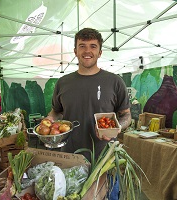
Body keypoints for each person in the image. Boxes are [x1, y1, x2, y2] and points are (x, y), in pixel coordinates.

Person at [46, 28, 131, 200]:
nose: (87, 51)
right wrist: (49, 119)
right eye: (82, 46)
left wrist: (116, 128)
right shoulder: (63, 83)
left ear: (100, 52)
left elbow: (126, 115)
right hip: (71, 159)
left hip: (105, 161)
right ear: (75, 51)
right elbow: (57, 111)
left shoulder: (115, 82)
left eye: (93, 46)